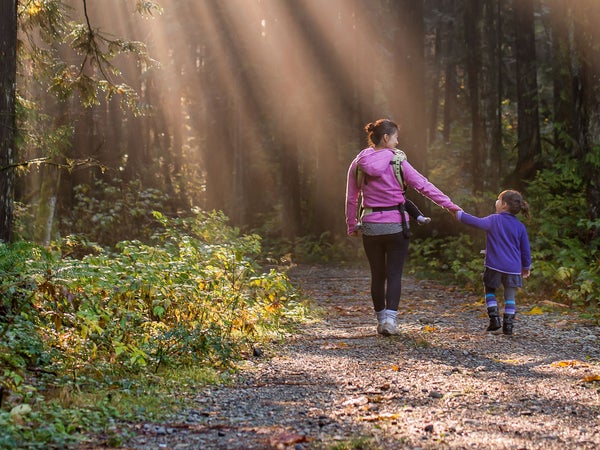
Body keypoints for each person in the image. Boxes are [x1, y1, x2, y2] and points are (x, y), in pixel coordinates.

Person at [345, 119, 461, 336]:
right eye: (396, 137)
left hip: (371, 226)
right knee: (394, 274)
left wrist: (352, 225)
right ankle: (390, 320)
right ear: (386, 138)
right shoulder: (398, 161)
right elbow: (424, 186)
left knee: (377, 275)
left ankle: (380, 321)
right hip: (397, 225)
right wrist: (450, 206)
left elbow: (352, 198)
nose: (398, 142)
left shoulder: (358, 162)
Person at [456, 190, 531, 335]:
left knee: (489, 290)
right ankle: (508, 326)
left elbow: (475, 222)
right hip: (513, 268)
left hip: (494, 265)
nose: (496, 202)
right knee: (510, 296)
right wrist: (526, 267)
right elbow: (525, 250)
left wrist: (459, 214)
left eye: (498, 199)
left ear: (503, 205)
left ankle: (494, 319)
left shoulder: (494, 220)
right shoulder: (520, 226)